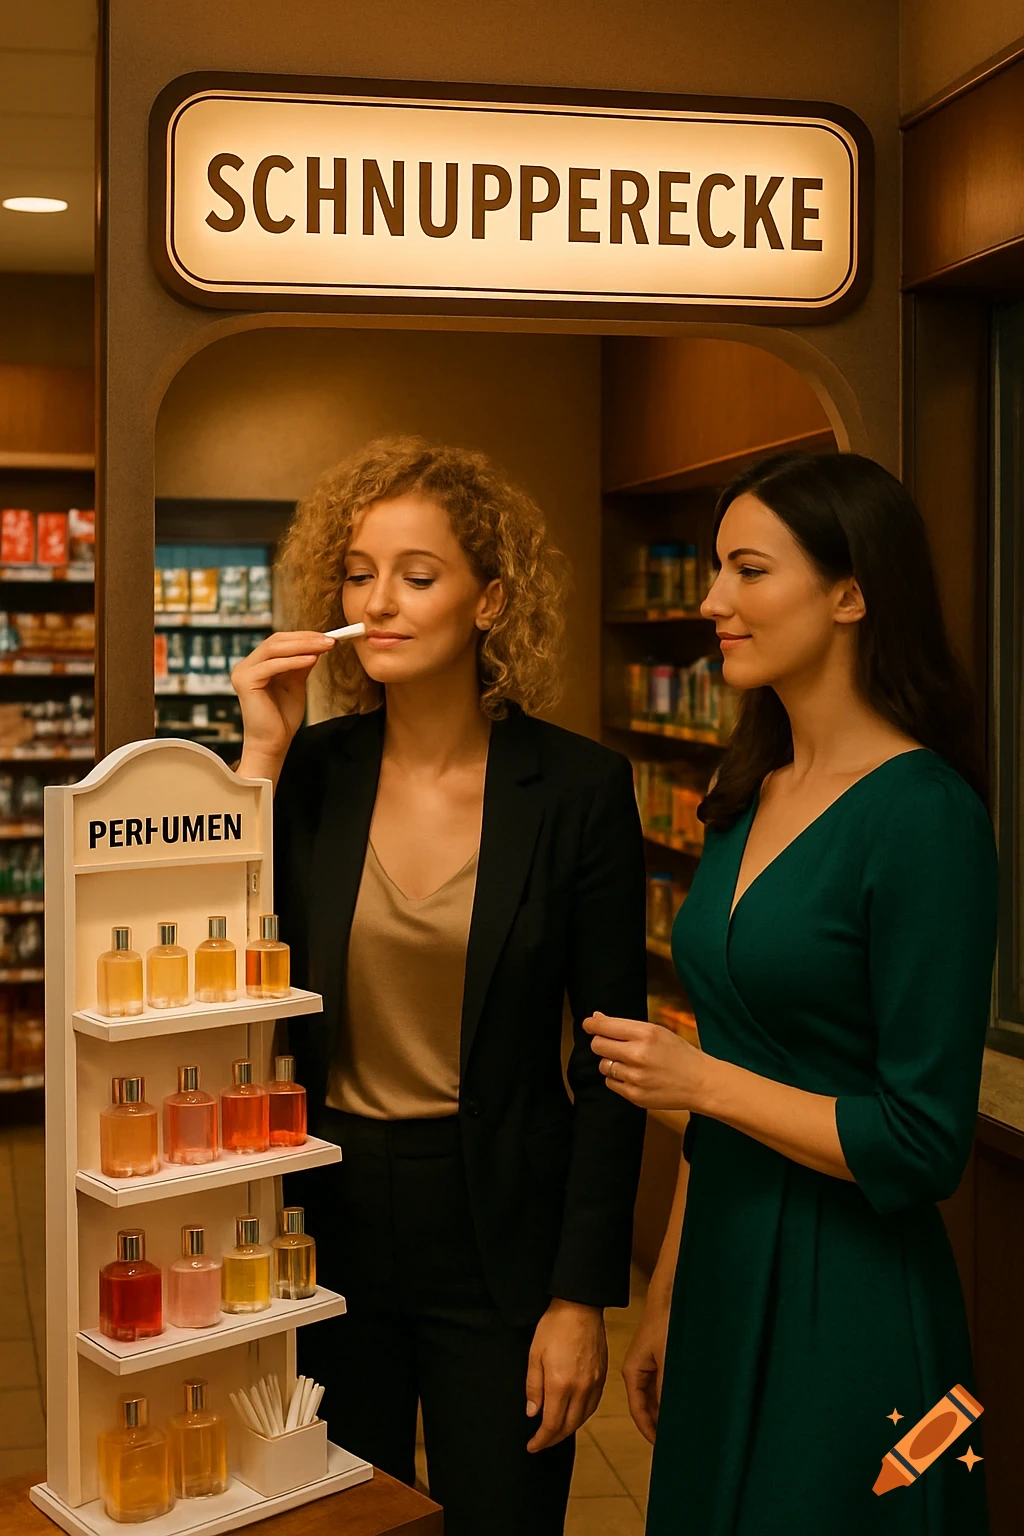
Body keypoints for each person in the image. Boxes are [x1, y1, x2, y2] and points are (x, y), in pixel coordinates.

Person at [232, 436, 647, 1536]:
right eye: (360, 575)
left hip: (499, 1230)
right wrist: (258, 760)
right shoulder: (313, 770)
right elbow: (226, 965)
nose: (381, 603)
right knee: (340, 1519)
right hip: (325, 1220)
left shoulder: (576, 790)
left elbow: (609, 1062)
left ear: (491, 599)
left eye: (418, 577)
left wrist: (580, 1297)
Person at [585, 451, 997, 1536]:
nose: (713, 601)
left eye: (748, 570)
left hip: (850, 1299)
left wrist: (697, 1081)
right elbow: (733, 1065)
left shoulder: (925, 816)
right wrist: (667, 1292)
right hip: (723, 1262)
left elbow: (920, 1142)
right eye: (718, 570)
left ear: (851, 592)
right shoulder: (746, 788)